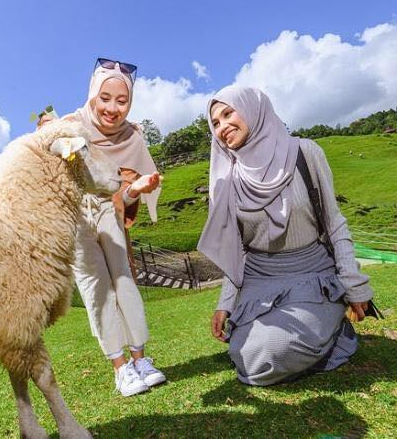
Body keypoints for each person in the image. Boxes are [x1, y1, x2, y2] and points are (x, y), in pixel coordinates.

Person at [198, 86, 374, 386]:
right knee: (247, 358)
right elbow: (236, 248)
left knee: (275, 351)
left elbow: (334, 224)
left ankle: (335, 329)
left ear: (254, 110)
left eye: (228, 113)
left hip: (311, 271)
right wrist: (225, 303)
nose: (222, 127)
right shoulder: (226, 179)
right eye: (214, 123)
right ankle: (315, 331)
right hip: (259, 278)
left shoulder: (305, 152)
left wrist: (355, 287)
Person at [62, 58, 166, 397]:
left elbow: (122, 191)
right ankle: (120, 368)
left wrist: (137, 189)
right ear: (93, 94)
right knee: (96, 289)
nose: (112, 108)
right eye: (105, 98)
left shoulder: (132, 137)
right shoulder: (69, 126)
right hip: (75, 215)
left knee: (124, 281)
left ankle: (141, 359)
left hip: (109, 208)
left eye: (122, 101)